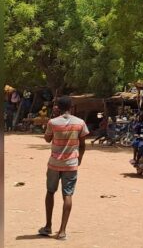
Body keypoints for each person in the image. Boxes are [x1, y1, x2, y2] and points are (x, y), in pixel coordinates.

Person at [40, 95, 89, 241]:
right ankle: (62, 231)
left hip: (54, 163)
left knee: (50, 192)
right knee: (67, 195)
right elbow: (83, 144)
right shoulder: (80, 122)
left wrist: (52, 122)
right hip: (71, 164)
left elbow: (48, 139)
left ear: (58, 107)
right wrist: (79, 159)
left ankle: (48, 226)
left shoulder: (53, 122)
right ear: (71, 107)